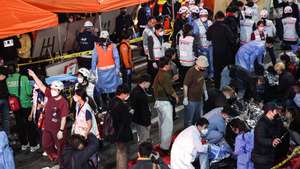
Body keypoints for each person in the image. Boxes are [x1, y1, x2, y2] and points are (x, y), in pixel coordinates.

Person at [28, 69, 69, 166]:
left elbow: (63, 118)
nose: (52, 90)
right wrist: (34, 75)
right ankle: (55, 157)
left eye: (55, 89)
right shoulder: (50, 95)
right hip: (47, 128)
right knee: (46, 145)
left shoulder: (63, 102)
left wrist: (61, 130)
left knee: (61, 148)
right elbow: (41, 86)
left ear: (59, 90)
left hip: (57, 129)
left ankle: (62, 164)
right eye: (52, 88)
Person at [6, 65, 39, 152]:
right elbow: (28, 92)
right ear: (17, 69)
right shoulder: (23, 78)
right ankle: (33, 145)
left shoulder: (8, 80)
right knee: (30, 125)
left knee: (20, 125)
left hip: (15, 106)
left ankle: (24, 144)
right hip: (26, 105)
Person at [153, 57, 179, 154]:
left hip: (159, 102)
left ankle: (163, 143)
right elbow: (169, 89)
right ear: (166, 65)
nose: (170, 65)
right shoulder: (164, 75)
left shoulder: (159, 73)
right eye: (169, 64)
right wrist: (176, 96)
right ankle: (165, 147)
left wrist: (171, 80)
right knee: (167, 126)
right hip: (164, 103)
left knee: (162, 124)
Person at [91, 31, 121, 110]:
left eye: (104, 38)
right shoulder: (96, 46)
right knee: (103, 90)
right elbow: (94, 59)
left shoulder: (113, 46)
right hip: (101, 73)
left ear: (108, 38)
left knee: (112, 90)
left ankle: (113, 104)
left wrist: (117, 69)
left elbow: (116, 58)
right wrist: (93, 71)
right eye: (102, 38)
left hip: (112, 72)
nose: (103, 40)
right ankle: (104, 104)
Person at [207, 11, 235, 89]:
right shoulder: (226, 27)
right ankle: (225, 88)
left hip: (215, 53)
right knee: (225, 71)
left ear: (215, 18)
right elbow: (232, 40)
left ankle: (216, 87)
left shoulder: (211, 27)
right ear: (223, 18)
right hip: (226, 54)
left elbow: (208, 37)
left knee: (217, 71)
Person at [252, 102, 282, 169]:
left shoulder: (274, 120)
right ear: (270, 111)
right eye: (275, 110)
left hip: (268, 156)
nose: (277, 112)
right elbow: (260, 139)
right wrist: (271, 141)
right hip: (261, 158)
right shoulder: (262, 124)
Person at [110, 85, 133, 169]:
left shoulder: (112, 101)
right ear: (122, 94)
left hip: (114, 132)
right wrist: (130, 113)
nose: (127, 96)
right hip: (122, 133)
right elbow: (126, 121)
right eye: (127, 94)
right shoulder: (122, 106)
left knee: (119, 152)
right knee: (123, 154)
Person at [183, 56, 209, 128]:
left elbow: (203, 81)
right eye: (203, 67)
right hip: (191, 100)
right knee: (189, 120)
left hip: (199, 99)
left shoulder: (202, 71)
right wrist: (185, 97)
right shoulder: (191, 72)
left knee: (197, 119)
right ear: (198, 65)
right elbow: (185, 85)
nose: (205, 68)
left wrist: (205, 91)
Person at [131, 74, 152, 143]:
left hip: (138, 120)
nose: (150, 84)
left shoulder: (136, 90)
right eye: (149, 82)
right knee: (144, 140)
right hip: (142, 122)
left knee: (142, 138)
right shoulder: (140, 94)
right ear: (144, 82)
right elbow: (143, 110)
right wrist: (147, 123)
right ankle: (143, 153)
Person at [193, 8, 214, 78]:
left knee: (211, 60)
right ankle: (204, 75)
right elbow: (196, 35)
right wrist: (199, 47)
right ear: (199, 15)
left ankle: (211, 75)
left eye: (205, 15)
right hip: (201, 45)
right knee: (203, 61)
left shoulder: (210, 22)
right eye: (202, 15)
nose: (204, 17)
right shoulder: (196, 22)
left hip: (210, 45)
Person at [0, 56, 9, 135]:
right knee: (5, 119)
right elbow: (3, 76)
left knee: (5, 119)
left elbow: (3, 76)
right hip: (4, 98)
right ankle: (5, 138)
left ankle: (3, 139)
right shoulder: (3, 69)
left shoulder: (3, 69)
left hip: (4, 98)